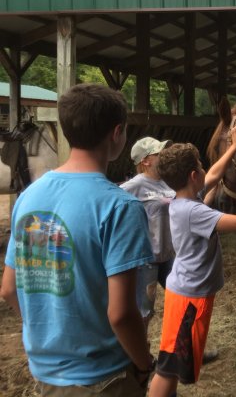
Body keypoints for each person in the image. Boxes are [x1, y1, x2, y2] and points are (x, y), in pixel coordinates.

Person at [0, 83, 156, 396]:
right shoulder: (120, 206)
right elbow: (121, 314)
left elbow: (8, 289)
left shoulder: (29, 198)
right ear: (117, 134)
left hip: (45, 375)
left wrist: (48, 338)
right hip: (104, 378)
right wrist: (144, 364)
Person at [148, 128, 236, 397]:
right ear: (193, 176)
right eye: (200, 165)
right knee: (169, 366)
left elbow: (213, 175)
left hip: (186, 294)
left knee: (172, 361)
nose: (206, 169)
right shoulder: (194, 211)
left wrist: (233, 147)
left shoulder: (184, 199)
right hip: (188, 301)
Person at [120, 137, 175, 337]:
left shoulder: (167, 181)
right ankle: (141, 359)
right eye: (159, 153)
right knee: (144, 312)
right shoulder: (134, 186)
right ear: (146, 161)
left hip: (169, 256)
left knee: (183, 301)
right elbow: (112, 206)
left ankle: (184, 352)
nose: (165, 156)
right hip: (147, 260)